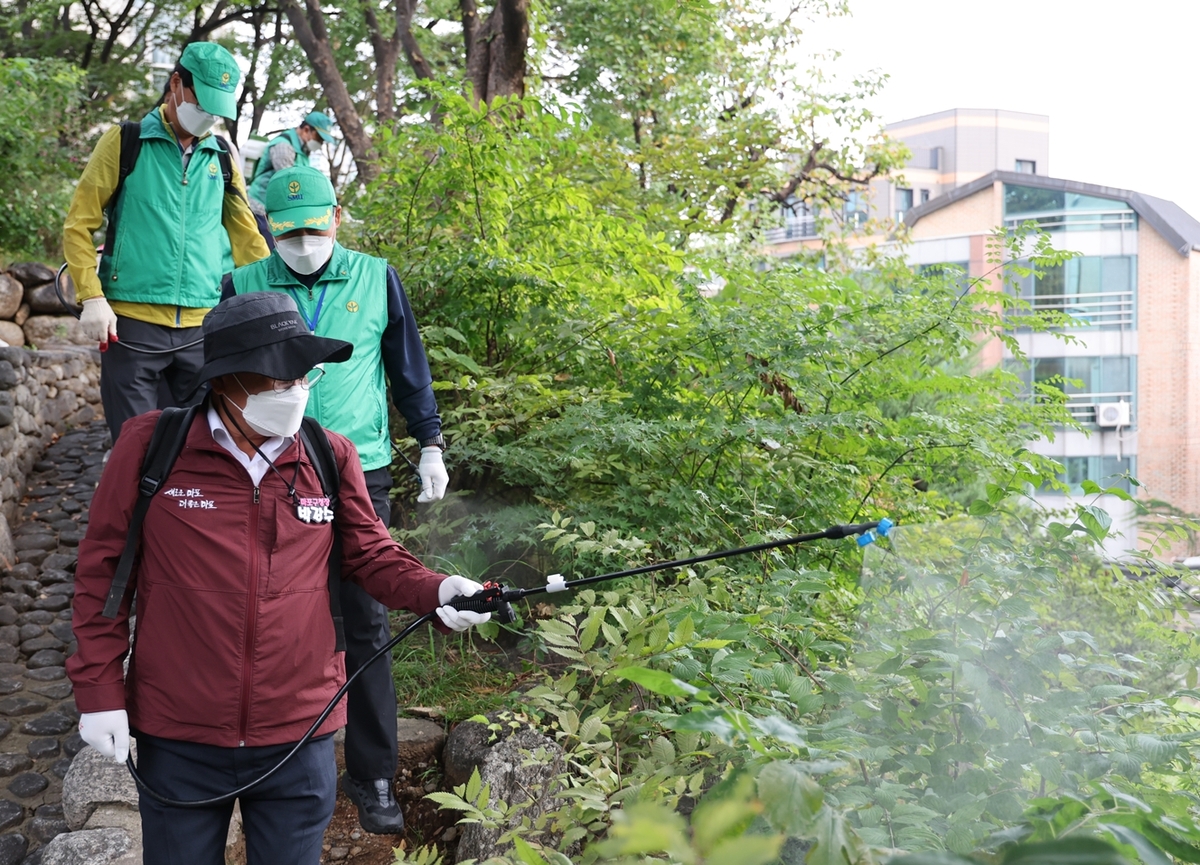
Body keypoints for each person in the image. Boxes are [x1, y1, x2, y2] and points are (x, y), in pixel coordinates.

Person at [66, 292, 490, 865]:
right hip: (179, 731)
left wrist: (440, 590)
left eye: (302, 374)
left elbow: (371, 556)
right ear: (225, 381)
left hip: (300, 729)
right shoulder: (151, 447)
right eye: (276, 375)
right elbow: (102, 575)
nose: (294, 389)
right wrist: (98, 693)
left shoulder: (327, 453)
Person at [222, 165, 450, 834]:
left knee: (365, 621)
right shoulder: (243, 283)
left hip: (360, 470)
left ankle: (373, 772)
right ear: (269, 229)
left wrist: (431, 440)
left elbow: (408, 368)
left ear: (338, 217)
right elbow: (211, 375)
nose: (301, 242)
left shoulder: (376, 277)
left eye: (314, 229)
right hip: (266, 466)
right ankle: (278, 759)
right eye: (286, 232)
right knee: (271, 612)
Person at [62, 41, 270, 444]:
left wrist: (267, 307)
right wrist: (91, 296)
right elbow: (78, 224)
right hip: (131, 327)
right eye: (203, 102)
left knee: (198, 450)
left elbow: (248, 239)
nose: (209, 116)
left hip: (201, 328)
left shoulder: (222, 157)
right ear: (176, 84)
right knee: (135, 448)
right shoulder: (126, 142)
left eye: (217, 109)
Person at [245, 111, 338, 247]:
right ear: (307, 130)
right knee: (271, 252)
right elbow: (288, 186)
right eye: (319, 138)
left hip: (280, 212)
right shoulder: (283, 147)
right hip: (261, 208)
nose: (320, 143)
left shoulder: (303, 151)